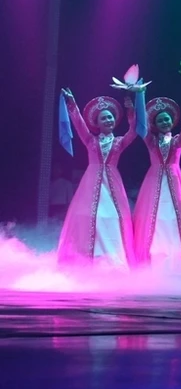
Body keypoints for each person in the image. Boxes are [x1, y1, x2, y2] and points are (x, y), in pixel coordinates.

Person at [56, 90, 138, 269]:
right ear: (97, 123)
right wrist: (72, 103)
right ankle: (88, 259)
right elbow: (79, 124)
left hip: (113, 185)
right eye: (104, 118)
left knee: (114, 218)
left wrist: (131, 110)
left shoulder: (119, 142)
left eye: (110, 117)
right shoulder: (90, 140)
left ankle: (113, 260)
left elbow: (134, 131)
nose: (108, 120)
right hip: (91, 183)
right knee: (91, 217)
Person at [133, 94, 181, 271]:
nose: (164, 122)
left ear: (172, 121)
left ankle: (178, 263)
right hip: (153, 184)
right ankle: (153, 262)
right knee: (155, 220)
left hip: (175, 183)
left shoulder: (178, 140)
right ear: (154, 124)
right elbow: (140, 124)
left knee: (175, 221)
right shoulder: (151, 141)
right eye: (160, 120)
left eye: (166, 119)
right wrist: (139, 94)